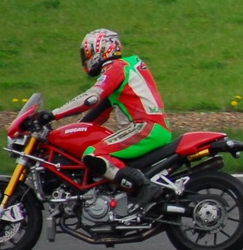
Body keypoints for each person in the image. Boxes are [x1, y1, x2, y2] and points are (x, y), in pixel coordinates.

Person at [32, 29, 173, 207]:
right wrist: (69, 134)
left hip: (145, 128)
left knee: (94, 155)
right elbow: (99, 112)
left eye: (87, 53)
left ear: (99, 49)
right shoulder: (126, 66)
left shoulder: (116, 68)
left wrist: (52, 114)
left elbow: (90, 98)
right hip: (152, 128)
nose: (85, 59)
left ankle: (145, 187)